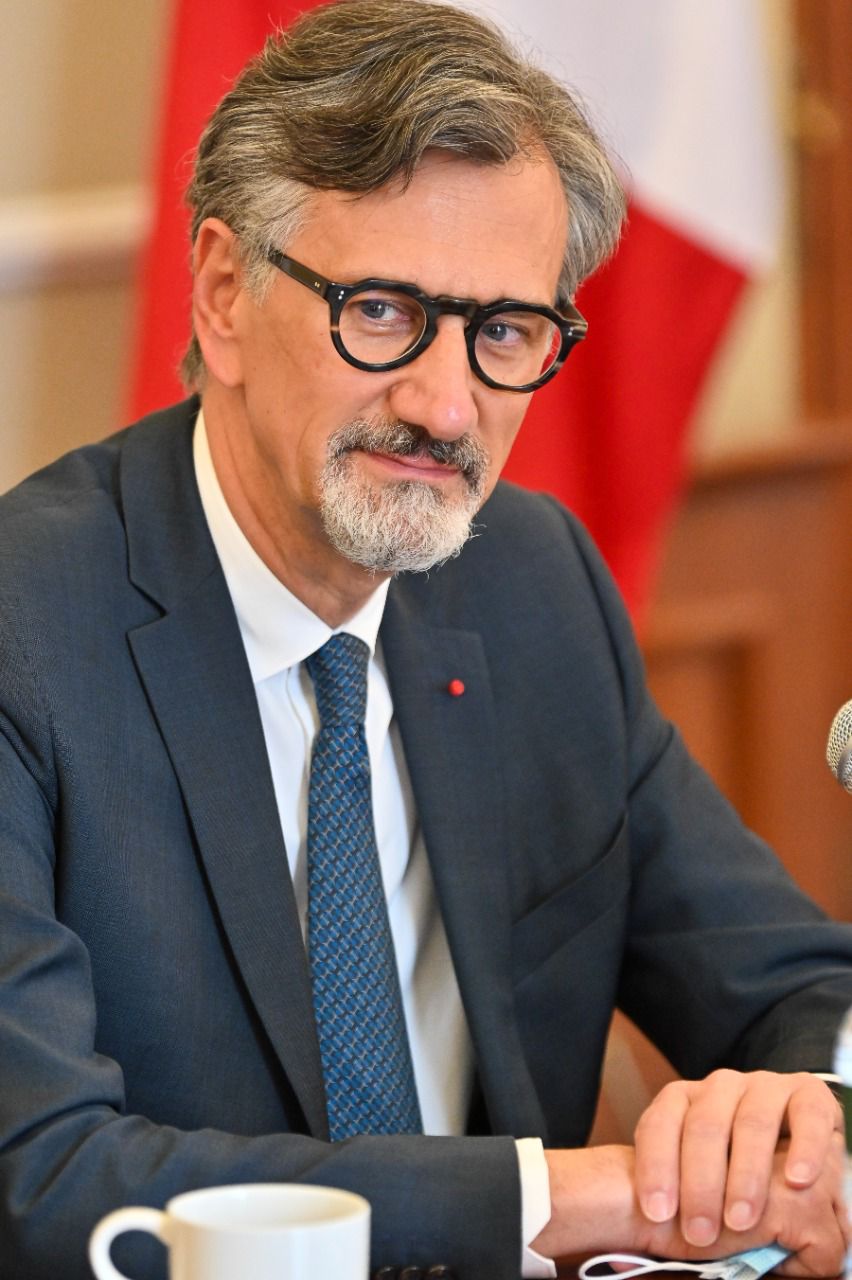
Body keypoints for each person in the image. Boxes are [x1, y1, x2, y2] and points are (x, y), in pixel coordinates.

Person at [0, 2, 850, 1277]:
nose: (447, 406)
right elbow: (41, 1179)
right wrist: (568, 1196)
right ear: (223, 293)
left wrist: (795, 1119)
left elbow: (796, 990)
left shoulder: (533, 583)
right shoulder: (26, 631)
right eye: (384, 311)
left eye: (504, 331)